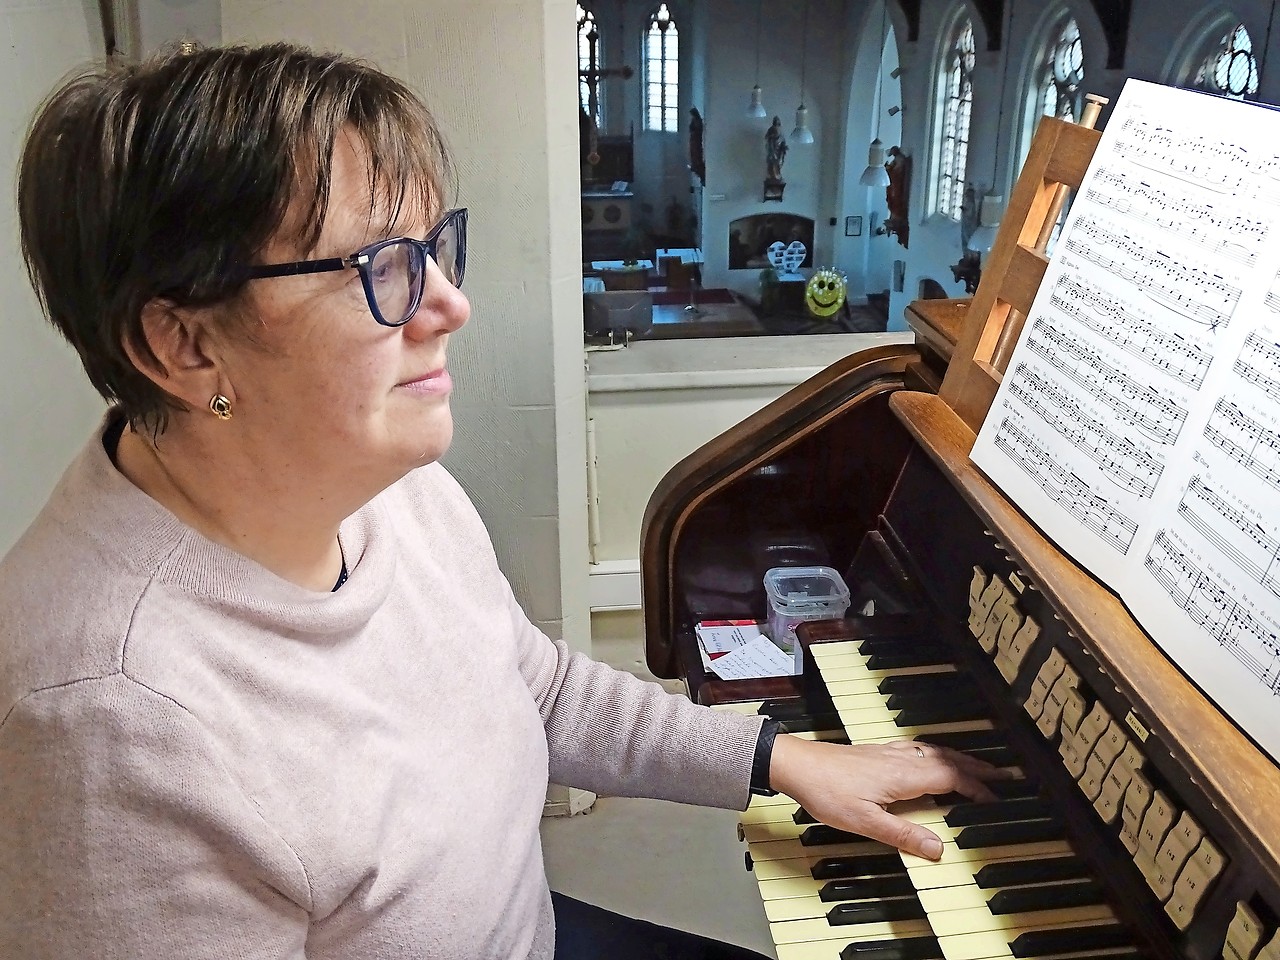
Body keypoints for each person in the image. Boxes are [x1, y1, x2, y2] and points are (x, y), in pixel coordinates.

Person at [0, 43, 1002, 960]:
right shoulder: (104, 725)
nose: (449, 304)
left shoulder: (385, 486)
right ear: (183, 346)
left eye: (432, 246)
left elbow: (535, 687)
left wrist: (779, 759)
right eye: (377, 268)